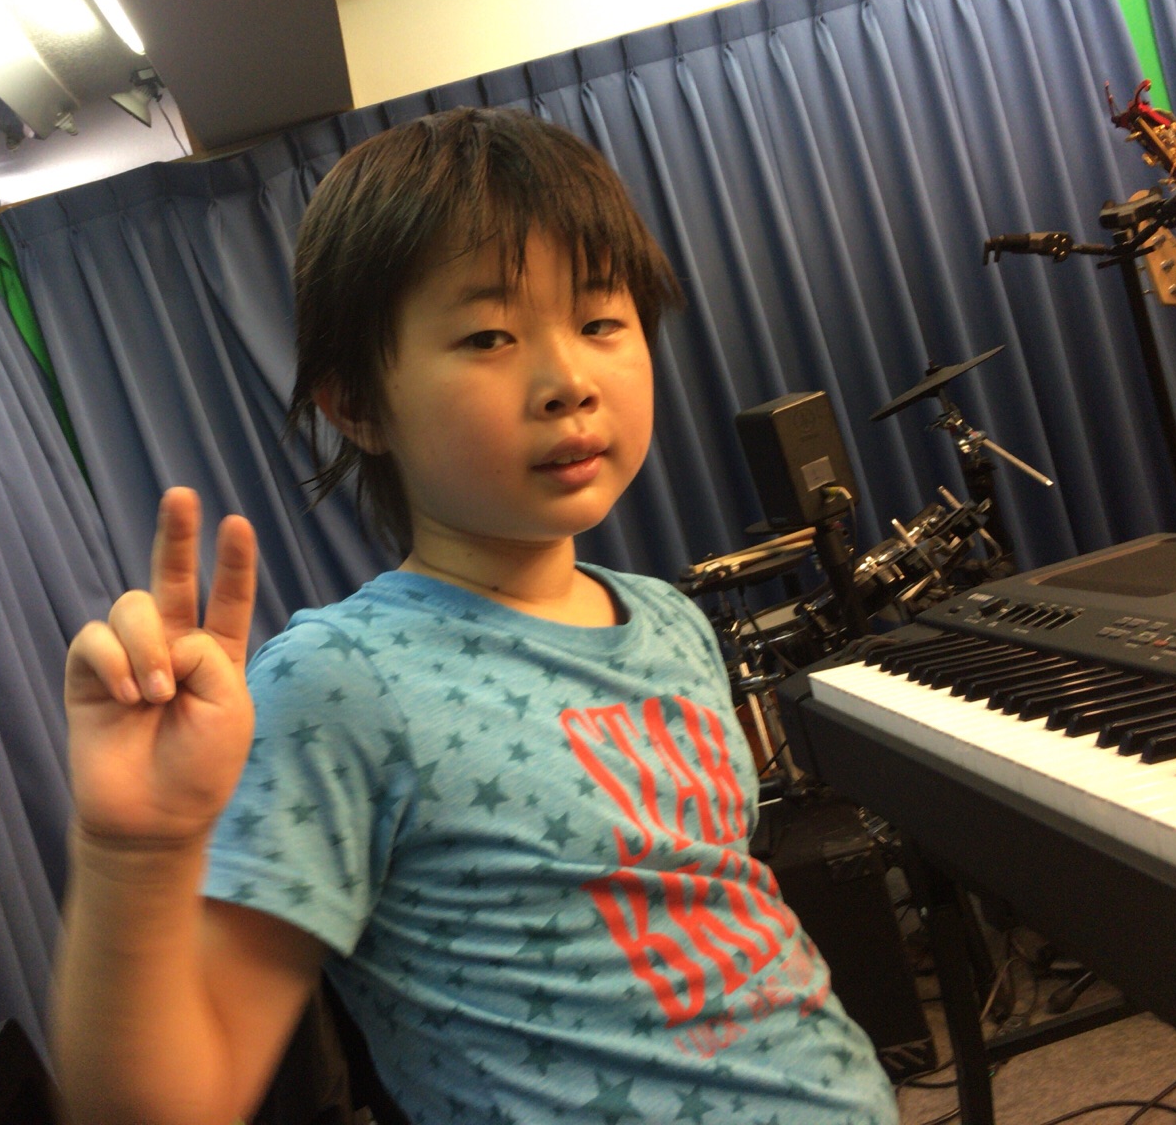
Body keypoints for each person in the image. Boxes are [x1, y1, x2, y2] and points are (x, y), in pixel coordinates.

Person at [52, 107, 899, 1125]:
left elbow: (711, 924)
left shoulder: (671, 622)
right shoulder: (336, 682)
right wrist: (134, 856)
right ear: (356, 406)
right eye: (488, 336)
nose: (568, 382)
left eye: (600, 321)